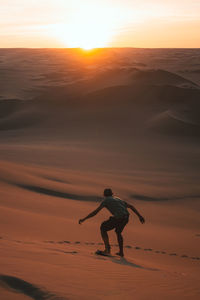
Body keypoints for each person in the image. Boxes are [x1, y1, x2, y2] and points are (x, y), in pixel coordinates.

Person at [79, 188, 145, 257]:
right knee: (118, 232)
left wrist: (84, 219)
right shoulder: (118, 199)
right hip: (126, 217)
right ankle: (121, 252)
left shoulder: (105, 201)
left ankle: (107, 250)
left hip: (119, 217)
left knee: (103, 227)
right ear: (112, 194)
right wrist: (140, 216)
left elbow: (95, 212)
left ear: (104, 195)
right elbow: (131, 206)